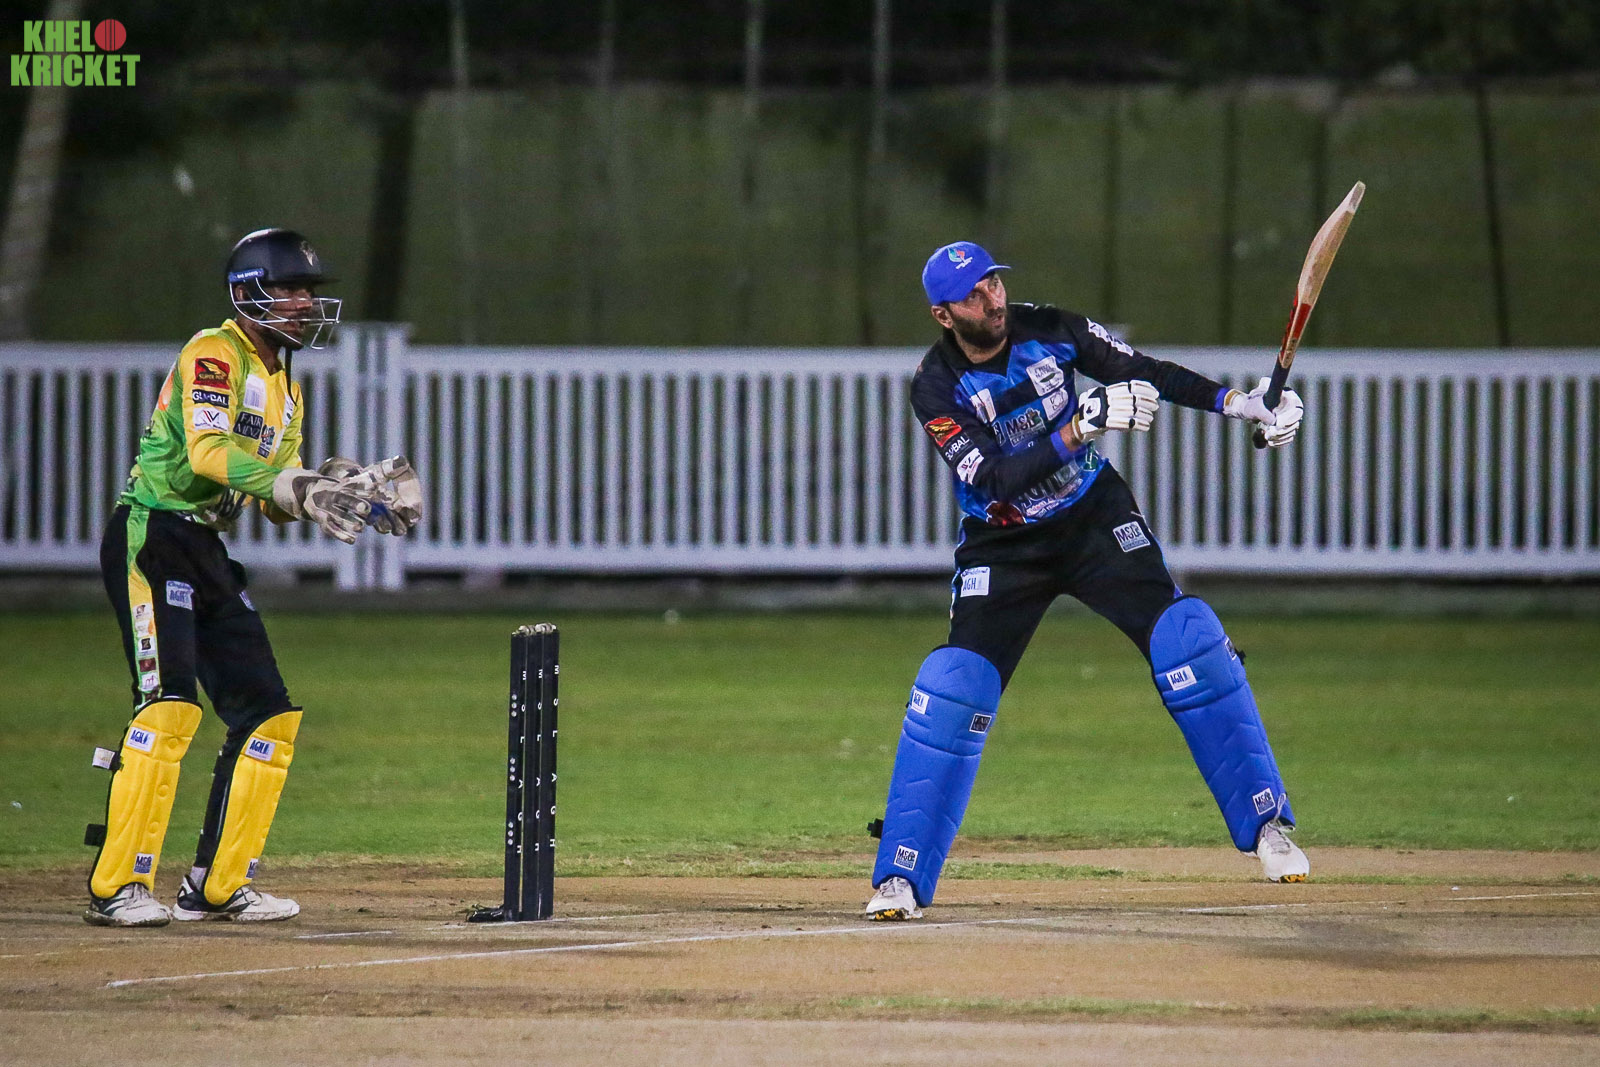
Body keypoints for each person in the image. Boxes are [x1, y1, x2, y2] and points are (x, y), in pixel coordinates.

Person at [864, 241, 1309, 921]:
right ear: (943, 315)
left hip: (1094, 520)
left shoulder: (1051, 328)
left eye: (993, 283)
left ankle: (1268, 823)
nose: (992, 299)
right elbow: (994, 477)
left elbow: (1144, 372)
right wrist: (1079, 426)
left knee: (1189, 638)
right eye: (973, 295)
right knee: (955, 684)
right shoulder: (935, 386)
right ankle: (900, 876)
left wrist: (1239, 403)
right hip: (1005, 543)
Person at [84, 228, 422, 927]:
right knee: (168, 705)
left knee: (268, 713)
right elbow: (208, 454)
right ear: (248, 294)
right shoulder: (215, 353)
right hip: (153, 534)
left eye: (308, 291)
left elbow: (270, 499)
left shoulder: (287, 390)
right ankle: (118, 886)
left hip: (206, 548)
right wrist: (295, 483)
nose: (304, 303)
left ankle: (218, 885)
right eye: (289, 289)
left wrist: (339, 491)